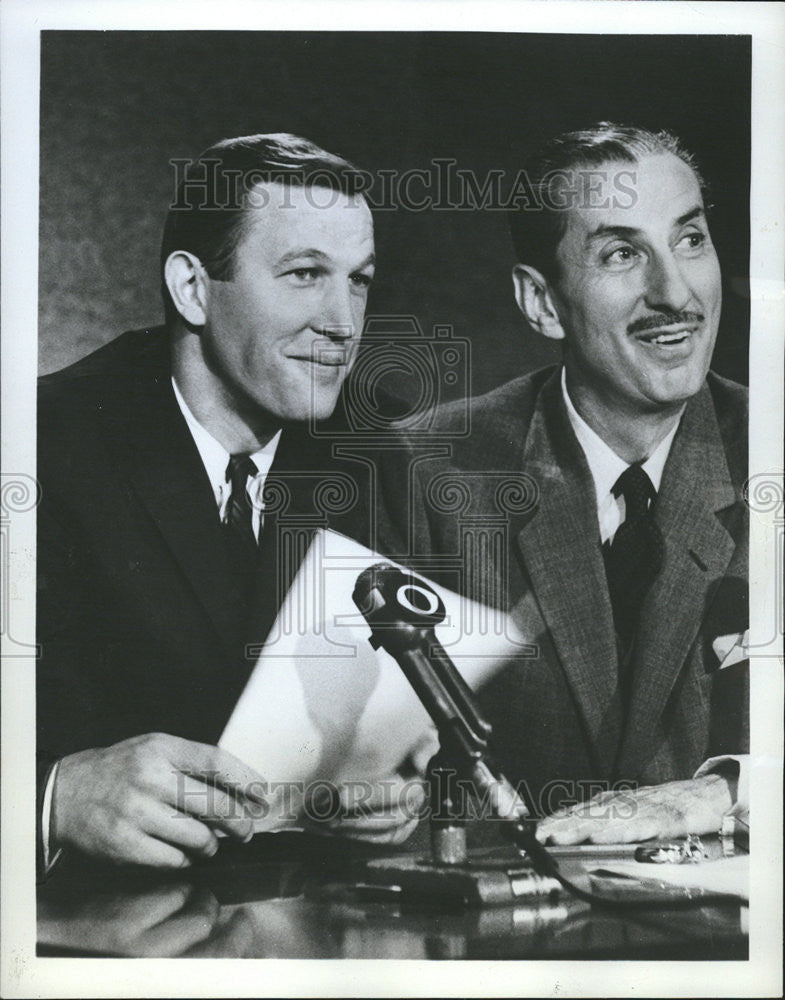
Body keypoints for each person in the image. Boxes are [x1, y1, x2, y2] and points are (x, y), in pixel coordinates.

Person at [36, 132, 420, 874]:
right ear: (191, 289)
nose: (344, 322)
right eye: (305, 273)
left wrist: (396, 793)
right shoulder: (37, 447)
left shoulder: (377, 451)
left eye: (359, 280)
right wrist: (55, 796)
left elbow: (395, 732)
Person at [391, 123, 749, 845]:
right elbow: (339, 772)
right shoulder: (422, 470)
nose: (675, 292)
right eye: (622, 253)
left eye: (689, 240)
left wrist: (724, 787)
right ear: (541, 303)